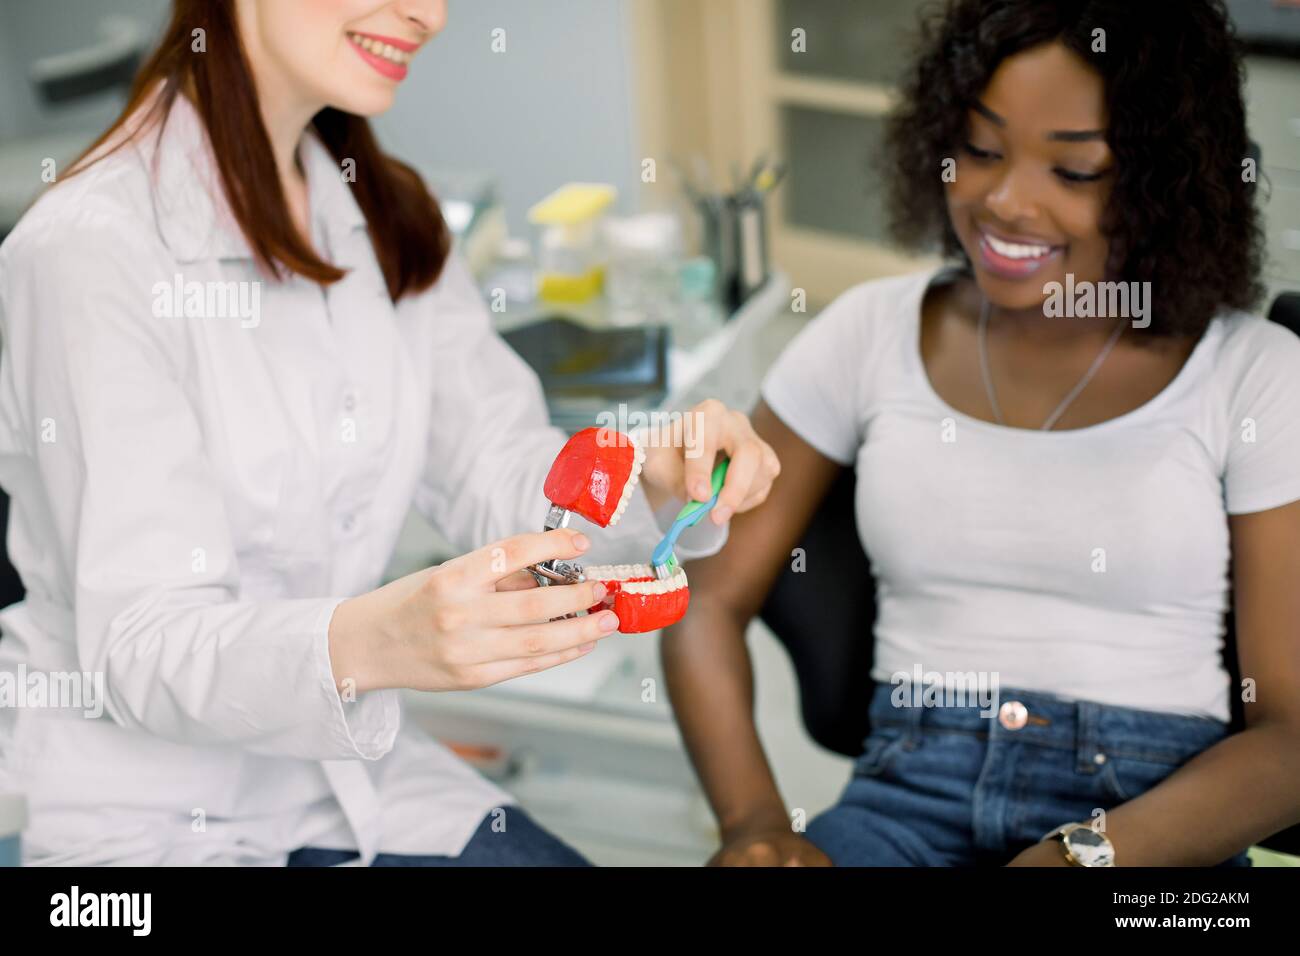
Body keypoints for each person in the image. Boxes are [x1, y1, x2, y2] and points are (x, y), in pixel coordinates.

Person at [0, 0, 779, 866]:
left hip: (351, 783)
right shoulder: (88, 250)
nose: (432, 14)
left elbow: (496, 466)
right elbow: (141, 645)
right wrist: (374, 642)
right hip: (143, 818)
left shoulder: (387, 215)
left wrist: (653, 476)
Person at [663, 0, 1300, 867]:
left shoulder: (1253, 371)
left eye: (1074, 171)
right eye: (983, 149)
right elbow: (705, 595)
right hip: (903, 803)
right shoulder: (867, 332)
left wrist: (1085, 856)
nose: (1004, 201)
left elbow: (1290, 737)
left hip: (1153, 827)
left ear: (1164, 183)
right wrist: (754, 825)